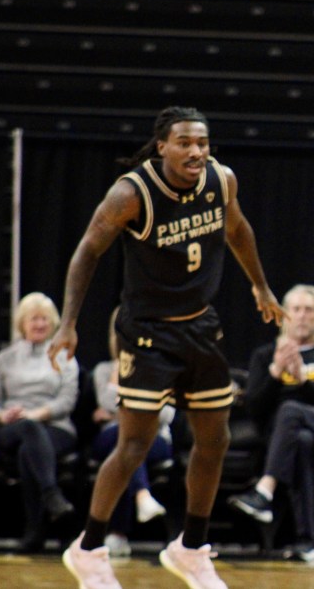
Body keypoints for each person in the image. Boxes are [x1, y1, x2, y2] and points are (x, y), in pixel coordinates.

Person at [52, 106, 284, 589]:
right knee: (135, 444)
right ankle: (88, 548)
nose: (196, 151)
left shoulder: (221, 180)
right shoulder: (131, 193)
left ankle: (190, 548)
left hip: (200, 325)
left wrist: (260, 286)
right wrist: (68, 323)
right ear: (162, 147)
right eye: (185, 143)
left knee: (215, 440)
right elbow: (87, 250)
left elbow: (238, 230)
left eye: (202, 142)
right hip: (147, 332)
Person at [227, 284, 314, 566]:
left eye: (310, 310)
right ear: (284, 315)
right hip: (285, 441)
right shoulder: (265, 356)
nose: (303, 316)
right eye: (296, 309)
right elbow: (254, 410)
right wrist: (275, 373)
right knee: (301, 442)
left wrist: (304, 382)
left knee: (291, 409)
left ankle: (265, 489)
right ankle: (306, 543)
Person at [0, 291, 79, 552]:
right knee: (28, 431)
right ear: (22, 323)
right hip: (11, 426)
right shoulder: (4, 358)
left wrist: (36, 414)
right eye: (34, 319)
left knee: (29, 448)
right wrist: (1, 415)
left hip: (56, 426)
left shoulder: (65, 356)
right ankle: (52, 496)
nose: (39, 324)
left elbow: (67, 401)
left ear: (53, 323)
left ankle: (34, 531)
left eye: (44, 319)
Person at [90, 307, 173, 558]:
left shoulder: (162, 367)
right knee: (125, 439)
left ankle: (117, 534)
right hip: (113, 435)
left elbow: (167, 414)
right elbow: (106, 401)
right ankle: (142, 496)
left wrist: (121, 409)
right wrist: (120, 376)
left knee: (129, 444)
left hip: (155, 439)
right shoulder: (104, 370)